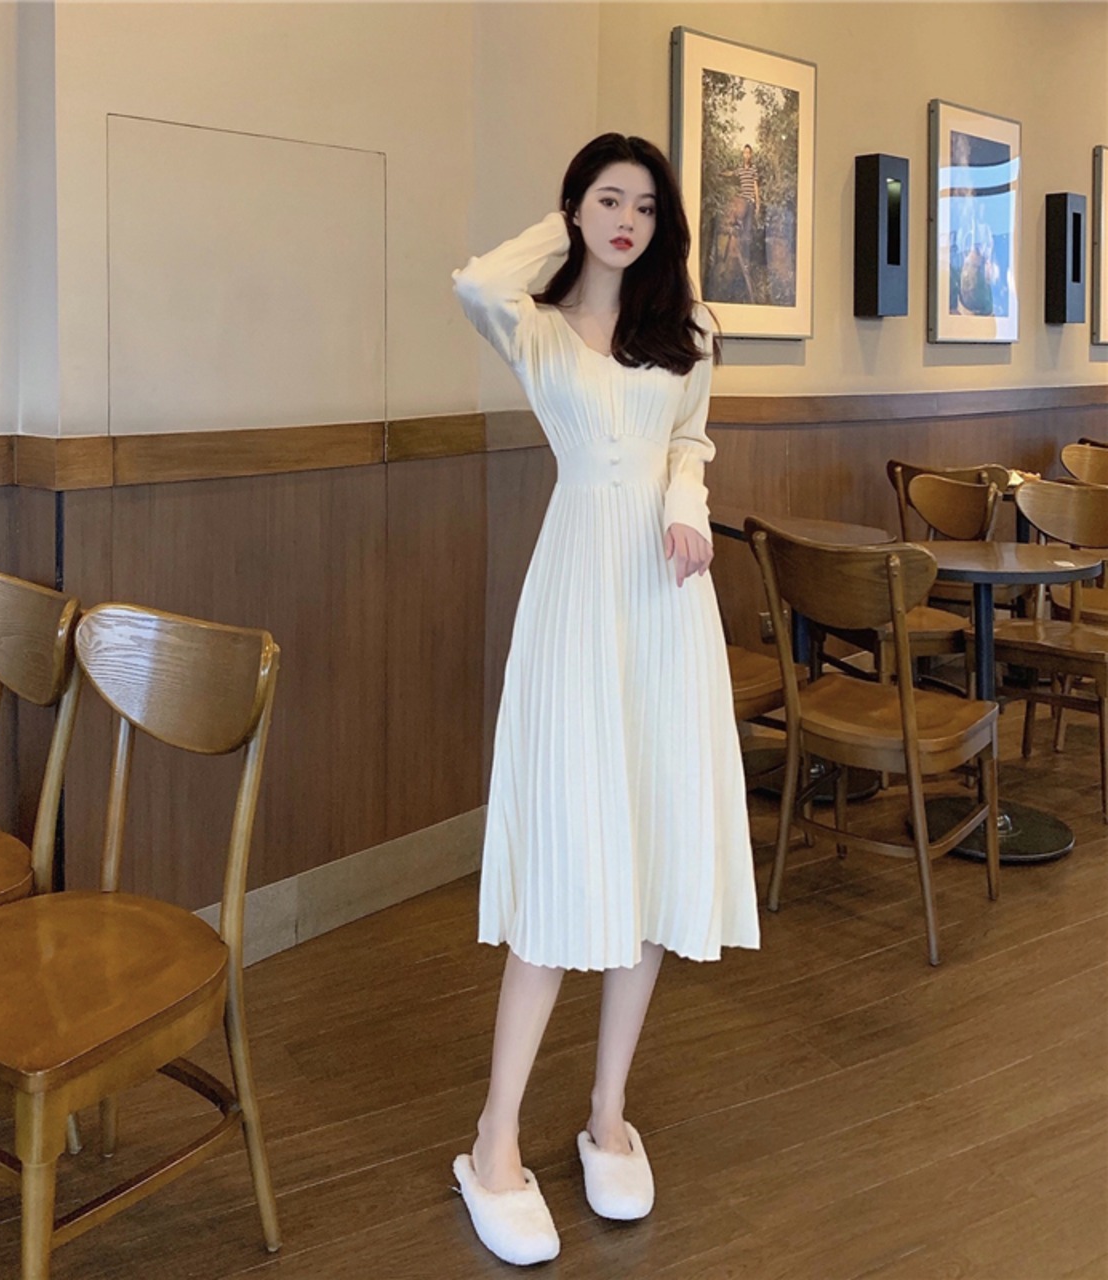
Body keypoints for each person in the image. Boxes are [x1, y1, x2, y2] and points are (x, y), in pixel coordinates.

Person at [449, 133, 760, 1267]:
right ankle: (492, 1141)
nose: (628, 220)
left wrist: (684, 502)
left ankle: (607, 1113)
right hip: (577, 592)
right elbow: (473, 282)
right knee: (559, 862)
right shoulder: (533, 325)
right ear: (578, 208)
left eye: (644, 205)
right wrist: (565, 221)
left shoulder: (690, 329)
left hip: (665, 600)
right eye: (607, 200)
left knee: (653, 848)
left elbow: (691, 441)